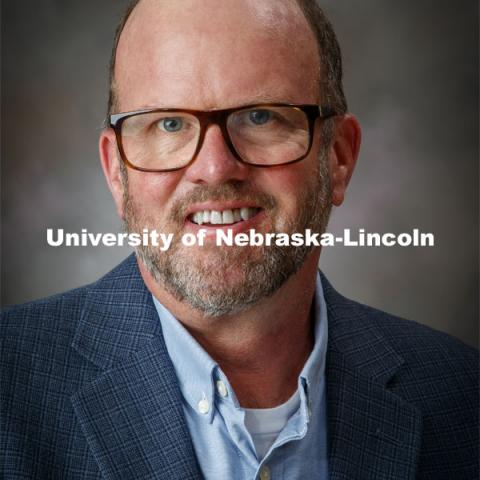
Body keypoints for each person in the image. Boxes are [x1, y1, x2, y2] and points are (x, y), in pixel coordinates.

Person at [1, 0, 477, 479]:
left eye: (261, 118)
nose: (214, 168)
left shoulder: (462, 394)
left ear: (338, 157)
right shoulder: (9, 387)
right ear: (116, 173)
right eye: (168, 123)